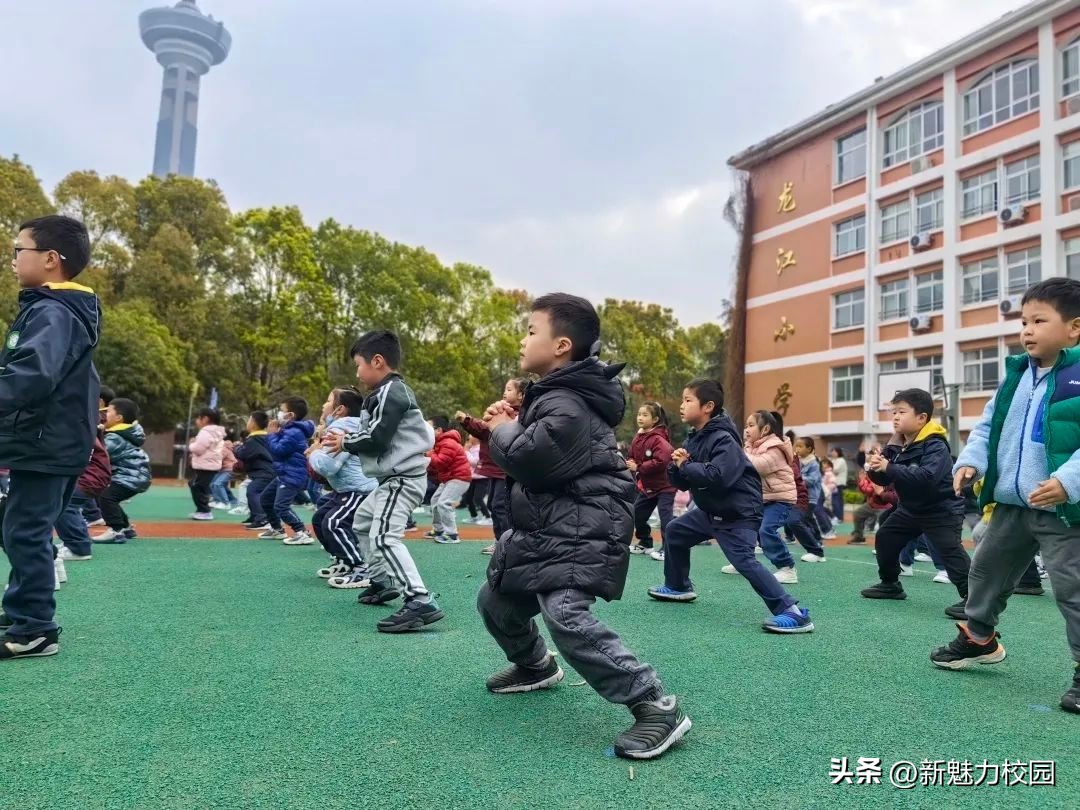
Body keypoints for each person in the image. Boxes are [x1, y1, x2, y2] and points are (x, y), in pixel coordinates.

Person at [476, 292, 689, 760]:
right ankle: (534, 666)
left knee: (565, 612)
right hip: (555, 521)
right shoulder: (556, 396)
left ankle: (655, 703)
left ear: (561, 345)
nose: (523, 338)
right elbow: (536, 457)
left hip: (585, 521)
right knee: (495, 600)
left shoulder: (568, 402)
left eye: (532, 330)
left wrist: (501, 431)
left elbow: (531, 460)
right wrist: (503, 429)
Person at [932, 279, 1080, 714]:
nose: (1027, 330)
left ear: (1075, 328)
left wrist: (1069, 481)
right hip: (1013, 503)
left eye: (1039, 320)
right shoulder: (1016, 374)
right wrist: (971, 461)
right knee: (985, 570)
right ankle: (979, 639)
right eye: (1023, 321)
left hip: (1064, 509)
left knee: (1073, 589)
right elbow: (987, 427)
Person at [0, 215, 99, 660]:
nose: (13, 257)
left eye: (19, 249)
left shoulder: (53, 312)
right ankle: (23, 610)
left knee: (24, 530)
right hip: (48, 441)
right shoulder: (51, 309)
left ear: (50, 259)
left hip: (47, 443)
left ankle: (36, 628)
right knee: (20, 526)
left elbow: (32, 375)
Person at [647, 379, 814, 635]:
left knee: (744, 561)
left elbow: (718, 476)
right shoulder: (695, 438)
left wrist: (685, 466)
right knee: (676, 531)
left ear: (708, 407)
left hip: (738, 514)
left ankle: (792, 612)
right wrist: (676, 466)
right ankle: (679, 585)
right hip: (710, 511)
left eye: (687, 400)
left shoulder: (724, 439)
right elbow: (682, 482)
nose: (681, 405)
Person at [322, 330, 444, 632]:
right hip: (391, 479)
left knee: (383, 536)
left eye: (359, 365)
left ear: (378, 361)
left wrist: (346, 442)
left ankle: (419, 599)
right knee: (362, 521)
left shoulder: (393, 391)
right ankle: (381, 581)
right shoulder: (383, 393)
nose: (357, 373)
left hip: (403, 479)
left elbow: (377, 437)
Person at [860, 388, 971, 618]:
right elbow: (885, 478)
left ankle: (975, 601)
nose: (896, 417)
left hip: (941, 509)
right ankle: (890, 584)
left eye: (902, 411)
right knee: (886, 537)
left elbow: (927, 478)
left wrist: (888, 467)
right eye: (893, 412)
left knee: (949, 550)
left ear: (922, 418)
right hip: (911, 509)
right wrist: (874, 468)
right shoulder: (897, 444)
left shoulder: (935, 445)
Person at [308, 387, 378, 588]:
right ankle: (344, 561)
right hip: (346, 488)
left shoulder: (342, 427)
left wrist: (314, 452)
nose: (323, 405)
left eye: (328, 401)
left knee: (334, 522)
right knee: (320, 517)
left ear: (339, 409)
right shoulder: (343, 425)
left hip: (359, 489)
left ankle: (361, 567)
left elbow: (328, 466)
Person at [456, 377, 528, 555]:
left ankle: (507, 543)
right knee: (495, 506)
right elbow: (482, 429)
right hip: (496, 468)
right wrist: (467, 421)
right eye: (505, 388)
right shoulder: (500, 412)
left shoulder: (524, 415)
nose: (505, 392)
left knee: (500, 505)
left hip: (506, 469)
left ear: (521, 395)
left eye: (509, 389)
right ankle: (500, 541)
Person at [738, 409, 799, 584]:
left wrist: (739, 453)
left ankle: (787, 568)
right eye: (746, 426)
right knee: (744, 527)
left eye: (751, 425)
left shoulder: (775, 447)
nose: (746, 430)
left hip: (780, 499)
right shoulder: (751, 447)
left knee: (766, 530)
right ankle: (742, 562)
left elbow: (758, 466)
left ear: (765, 429)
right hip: (763, 498)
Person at [95, 398, 152, 543]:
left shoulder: (115, 437)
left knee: (106, 497)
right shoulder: (122, 433)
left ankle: (116, 530)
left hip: (130, 476)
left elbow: (101, 453)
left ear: (119, 418)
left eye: (107, 412)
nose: (103, 414)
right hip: (136, 476)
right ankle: (125, 527)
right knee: (110, 497)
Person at [260, 397, 316, 545]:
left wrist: (272, 434)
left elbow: (278, 450)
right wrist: (276, 434)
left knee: (281, 506)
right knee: (265, 499)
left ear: (290, 415)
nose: (278, 413)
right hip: (285, 473)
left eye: (282, 410)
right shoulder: (289, 430)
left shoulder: (294, 432)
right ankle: (277, 529)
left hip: (293, 475)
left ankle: (302, 531)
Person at [55, 425, 111, 563]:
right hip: (92, 474)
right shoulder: (82, 423)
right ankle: (78, 542)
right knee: (65, 503)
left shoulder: (77, 427)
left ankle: (78, 547)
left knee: (64, 503)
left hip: (91, 475)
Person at [627, 401, 676, 557]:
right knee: (636, 514)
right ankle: (645, 542)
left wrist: (638, 467)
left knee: (665, 518)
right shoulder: (638, 437)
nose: (640, 417)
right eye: (639, 414)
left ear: (655, 419)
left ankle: (667, 550)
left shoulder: (658, 439)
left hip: (665, 486)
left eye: (645, 415)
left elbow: (662, 461)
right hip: (648, 486)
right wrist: (631, 463)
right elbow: (632, 456)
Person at [425, 415, 473, 544]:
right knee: (435, 501)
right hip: (449, 478)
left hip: (459, 478)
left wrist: (429, 453)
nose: (426, 431)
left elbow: (440, 462)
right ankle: (439, 530)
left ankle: (452, 534)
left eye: (429, 428)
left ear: (439, 430)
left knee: (444, 502)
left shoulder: (448, 443)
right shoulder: (439, 443)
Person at [234, 411, 276, 531]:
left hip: (264, 472)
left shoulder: (254, 439)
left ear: (253, 423)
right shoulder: (263, 437)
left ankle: (262, 518)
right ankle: (255, 516)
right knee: (254, 491)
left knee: (253, 491)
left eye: (249, 420)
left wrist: (235, 448)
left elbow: (244, 453)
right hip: (267, 471)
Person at [81, 383, 115, 528]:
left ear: (100, 401)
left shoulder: (98, 416)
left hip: (95, 462)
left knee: (82, 487)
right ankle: (93, 514)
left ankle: (93, 515)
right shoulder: (97, 416)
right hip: (95, 461)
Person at [187, 407, 226, 521]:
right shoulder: (217, 432)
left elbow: (199, 449)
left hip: (205, 465)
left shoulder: (206, 431)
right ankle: (202, 509)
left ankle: (204, 511)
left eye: (199, 418)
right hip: (211, 465)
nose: (197, 421)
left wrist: (191, 444)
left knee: (196, 486)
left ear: (205, 419)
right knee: (197, 485)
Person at [794, 437, 835, 539]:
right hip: (801, 496)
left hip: (811, 496)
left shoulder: (814, 463)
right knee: (807, 518)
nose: (797, 449)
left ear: (809, 449)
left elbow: (812, 480)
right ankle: (816, 538)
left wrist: (797, 478)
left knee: (807, 517)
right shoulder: (797, 461)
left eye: (800, 446)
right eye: (796, 446)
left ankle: (818, 538)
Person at [849, 466, 896, 545]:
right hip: (872, 505)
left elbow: (869, 490)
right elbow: (865, 491)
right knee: (858, 513)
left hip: (884, 507)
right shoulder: (871, 476)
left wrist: (862, 480)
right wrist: (862, 480)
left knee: (883, 524)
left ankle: (885, 545)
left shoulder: (882, 476)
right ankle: (858, 537)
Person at [461, 435, 492, 525]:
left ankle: (488, 517)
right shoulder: (471, 448)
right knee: (468, 498)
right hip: (472, 477)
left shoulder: (480, 448)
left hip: (481, 477)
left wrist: (466, 451)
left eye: (471, 435)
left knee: (478, 498)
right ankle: (474, 516)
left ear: (477, 438)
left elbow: (475, 462)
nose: (469, 437)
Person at [210, 431, 240, 512]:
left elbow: (218, 459)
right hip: (224, 470)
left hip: (230, 469)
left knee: (218, 484)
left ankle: (225, 503)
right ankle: (219, 501)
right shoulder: (219, 447)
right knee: (213, 484)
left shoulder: (223, 448)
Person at [829, 448, 849, 524]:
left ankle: (838, 517)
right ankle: (837, 517)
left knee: (836, 501)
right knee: (836, 501)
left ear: (838, 453)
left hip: (838, 483)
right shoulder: (833, 460)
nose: (832, 453)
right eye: (832, 451)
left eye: (834, 452)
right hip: (833, 483)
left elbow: (835, 470)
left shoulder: (841, 460)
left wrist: (828, 469)